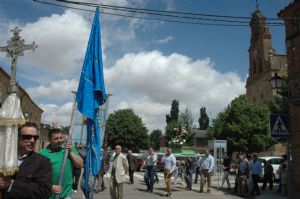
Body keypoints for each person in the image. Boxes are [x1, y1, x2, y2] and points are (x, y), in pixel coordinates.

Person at [0, 122, 52, 199]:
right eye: (27, 137)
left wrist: (11, 184)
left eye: (35, 137)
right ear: (17, 137)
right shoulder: (3, 156)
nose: (32, 140)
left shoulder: (43, 162)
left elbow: (44, 192)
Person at [40, 128, 84, 199]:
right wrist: (50, 186)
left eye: (61, 138)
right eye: (56, 139)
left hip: (66, 194)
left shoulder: (68, 149)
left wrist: (70, 152)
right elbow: (39, 175)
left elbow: (80, 165)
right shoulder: (43, 153)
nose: (59, 140)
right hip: (49, 194)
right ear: (49, 139)